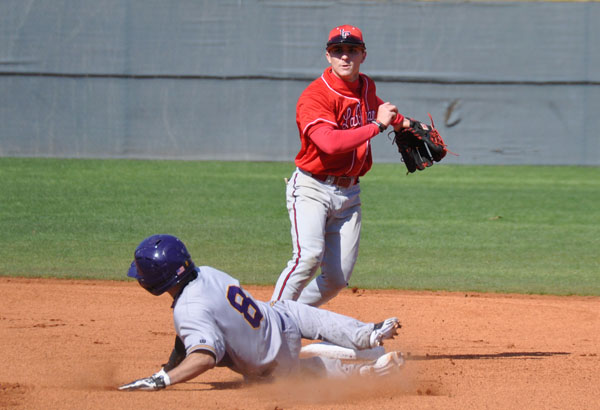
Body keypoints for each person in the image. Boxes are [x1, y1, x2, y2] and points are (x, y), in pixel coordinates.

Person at [119, 234, 403, 391]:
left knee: (304, 374)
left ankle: (369, 374)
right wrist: (169, 366)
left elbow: (203, 356)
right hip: (280, 319)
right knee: (302, 313)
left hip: (273, 366)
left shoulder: (188, 310)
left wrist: (163, 380)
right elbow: (190, 334)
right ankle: (367, 333)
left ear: (156, 280)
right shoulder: (206, 273)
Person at [271, 25, 426, 307]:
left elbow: (375, 106)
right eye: (337, 51)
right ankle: (263, 326)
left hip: (349, 194)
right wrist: (377, 125)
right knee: (307, 257)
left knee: (336, 279)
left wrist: (404, 122)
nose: (345, 57)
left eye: (352, 50)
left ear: (363, 55)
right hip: (312, 188)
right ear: (327, 56)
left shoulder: (366, 86)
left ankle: (290, 317)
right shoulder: (315, 96)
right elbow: (329, 143)